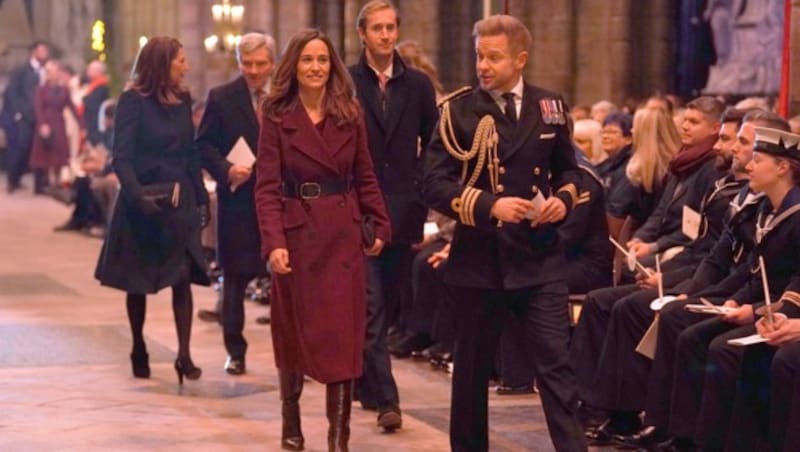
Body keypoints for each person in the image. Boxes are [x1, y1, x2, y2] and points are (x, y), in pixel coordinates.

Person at [423, 14, 586, 452]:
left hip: (539, 259)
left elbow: (571, 170)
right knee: (472, 376)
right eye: (479, 56)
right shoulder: (458, 110)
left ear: (521, 59)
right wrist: (490, 205)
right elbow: (433, 182)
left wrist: (563, 200)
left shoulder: (549, 104)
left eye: (494, 57)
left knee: (556, 368)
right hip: (480, 261)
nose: (484, 66)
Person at [254, 29, 390, 452]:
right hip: (295, 238)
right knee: (292, 332)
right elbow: (266, 186)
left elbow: (365, 175)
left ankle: (338, 438)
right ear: (293, 65)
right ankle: (291, 424)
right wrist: (274, 241)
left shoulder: (349, 112)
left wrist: (379, 224)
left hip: (341, 236)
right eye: (308, 60)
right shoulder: (276, 115)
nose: (315, 67)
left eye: (323, 60)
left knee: (343, 337)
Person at [94, 36, 210, 384]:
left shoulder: (183, 100)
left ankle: (184, 355)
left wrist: (201, 197)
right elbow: (122, 157)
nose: (186, 67)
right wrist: (136, 195)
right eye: (180, 61)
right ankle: (138, 346)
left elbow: (190, 154)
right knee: (138, 282)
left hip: (179, 200)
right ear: (162, 64)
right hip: (141, 203)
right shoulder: (132, 101)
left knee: (181, 277)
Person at [348, 0, 439, 432]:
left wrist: (420, 193)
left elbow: (433, 144)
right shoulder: (345, 82)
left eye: (391, 28)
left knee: (390, 300)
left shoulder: (417, 85)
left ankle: (367, 383)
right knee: (370, 306)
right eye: (377, 29)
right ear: (362, 34)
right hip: (359, 211)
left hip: (403, 210)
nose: (386, 35)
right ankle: (388, 400)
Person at [196, 32, 277, 376]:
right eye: (248, 64)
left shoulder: (284, 97)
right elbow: (203, 146)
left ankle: (293, 355)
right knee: (234, 281)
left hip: (278, 201)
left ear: (272, 63)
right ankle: (236, 351)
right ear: (239, 63)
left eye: (261, 64)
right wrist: (228, 170)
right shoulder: (222, 97)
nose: (255, 71)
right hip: (239, 201)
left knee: (287, 283)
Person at [1, 41, 49, 193]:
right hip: (22, 116)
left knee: (35, 150)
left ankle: (35, 182)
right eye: (42, 50)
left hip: (39, 116)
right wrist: (18, 113)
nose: (45, 54)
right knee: (18, 148)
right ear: (34, 52)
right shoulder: (21, 70)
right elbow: (12, 92)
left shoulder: (46, 71)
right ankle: (12, 180)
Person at [29, 60, 81, 194]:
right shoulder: (41, 89)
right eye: (52, 72)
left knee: (59, 154)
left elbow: (71, 106)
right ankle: (45, 183)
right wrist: (42, 125)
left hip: (59, 123)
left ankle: (56, 182)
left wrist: (82, 123)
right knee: (44, 155)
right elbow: (38, 108)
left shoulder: (64, 89)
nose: (56, 74)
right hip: (46, 122)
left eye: (57, 71)